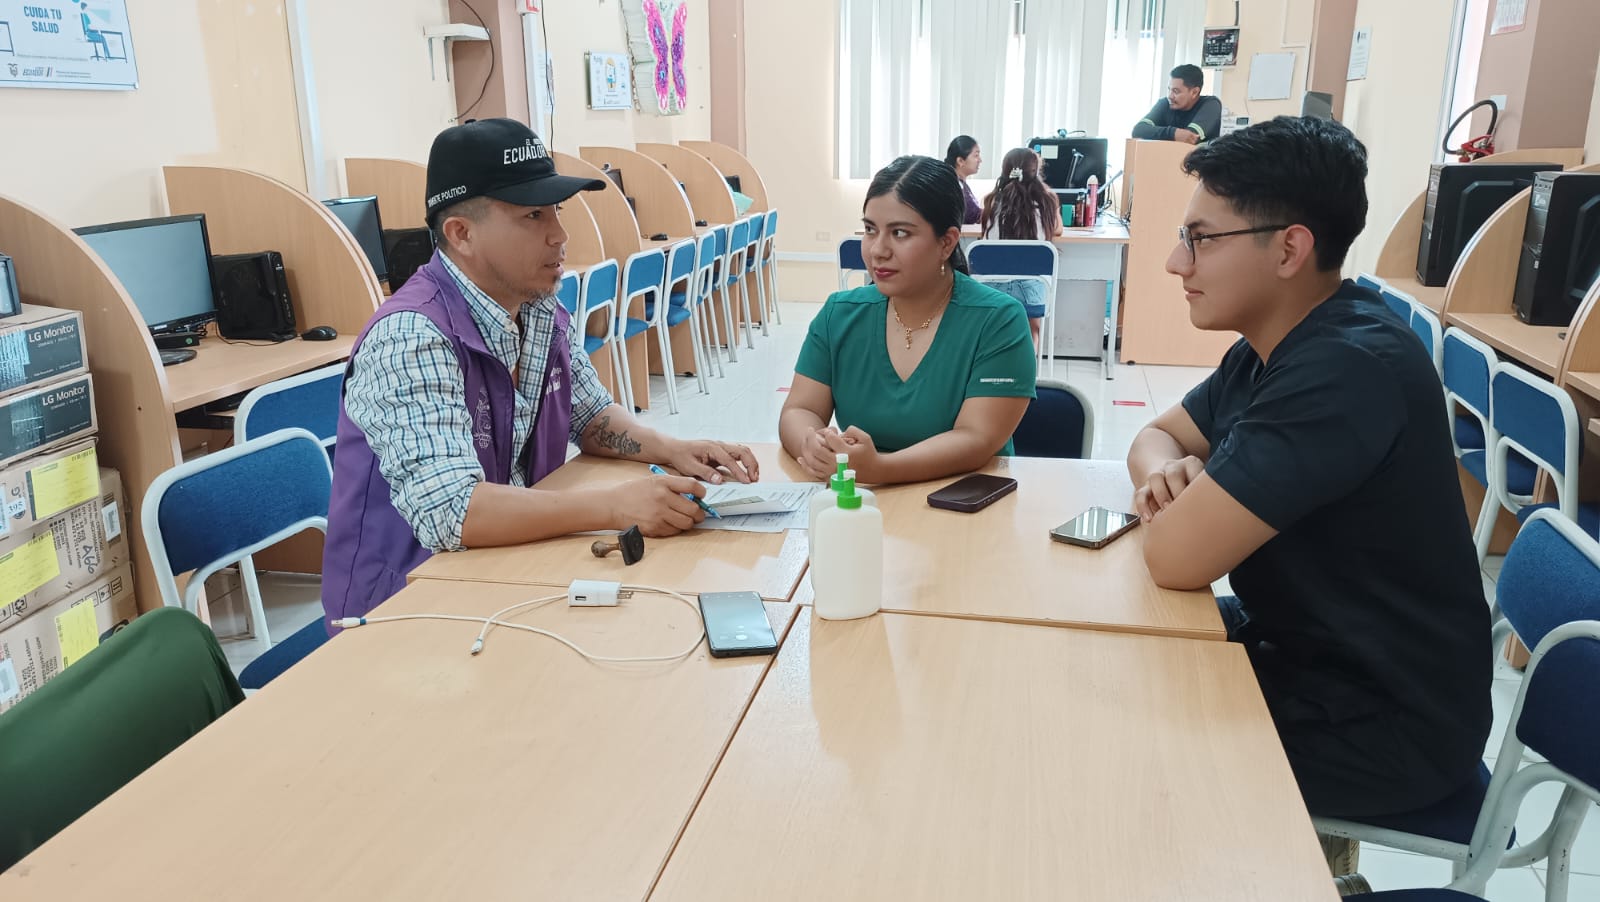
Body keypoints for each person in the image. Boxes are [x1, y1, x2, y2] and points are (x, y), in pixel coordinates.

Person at [1125, 117, 1491, 827]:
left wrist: (1184, 506)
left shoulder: (1344, 368)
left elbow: (1172, 558)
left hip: (1380, 720)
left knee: (1116, 750)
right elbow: (1156, 435)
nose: (1175, 262)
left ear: (1290, 248)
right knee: (1110, 657)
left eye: (1201, 238)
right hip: (1301, 648)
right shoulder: (1276, 339)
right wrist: (1168, 476)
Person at [323, 118, 760, 625]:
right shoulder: (411, 336)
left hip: (505, 571)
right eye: (533, 215)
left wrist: (672, 449)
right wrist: (615, 506)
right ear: (462, 234)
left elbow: (591, 417)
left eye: (556, 211)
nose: (560, 235)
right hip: (405, 609)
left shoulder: (537, 310)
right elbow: (451, 511)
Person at [780, 155, 1036, 485]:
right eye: (870, 230)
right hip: (862, 499)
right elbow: (800, 410)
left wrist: (880, 469)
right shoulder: (840, 313)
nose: (878, 250)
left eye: (900, 233)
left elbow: (976, 438)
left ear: (947, 242)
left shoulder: (998, 320)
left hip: (961, 499)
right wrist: (811, 442)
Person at [979, 147, 1063, 349]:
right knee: (1032, 329)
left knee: (996, 331)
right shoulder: (1046, 201)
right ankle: (1027, 363)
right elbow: (1058, 229)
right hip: (1031, 288)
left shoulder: (991, 201)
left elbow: (984, 234)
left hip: (992, 287)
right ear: (1035, 172)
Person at [1132, 64, 1223, 145]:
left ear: (1194, 92)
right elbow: (1138, 130)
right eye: (1169, 89)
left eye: (1176, 91)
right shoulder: (1165, 103)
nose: (1170, 96)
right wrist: (1173, 133)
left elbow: (1190, 137)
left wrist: (1160, 133)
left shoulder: (1211, 104)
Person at [945, 136, 983, 225]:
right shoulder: (953, 185)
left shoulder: (961, 183)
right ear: (960, 161)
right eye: (976, 155)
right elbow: (972, 215)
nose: (980, 160)